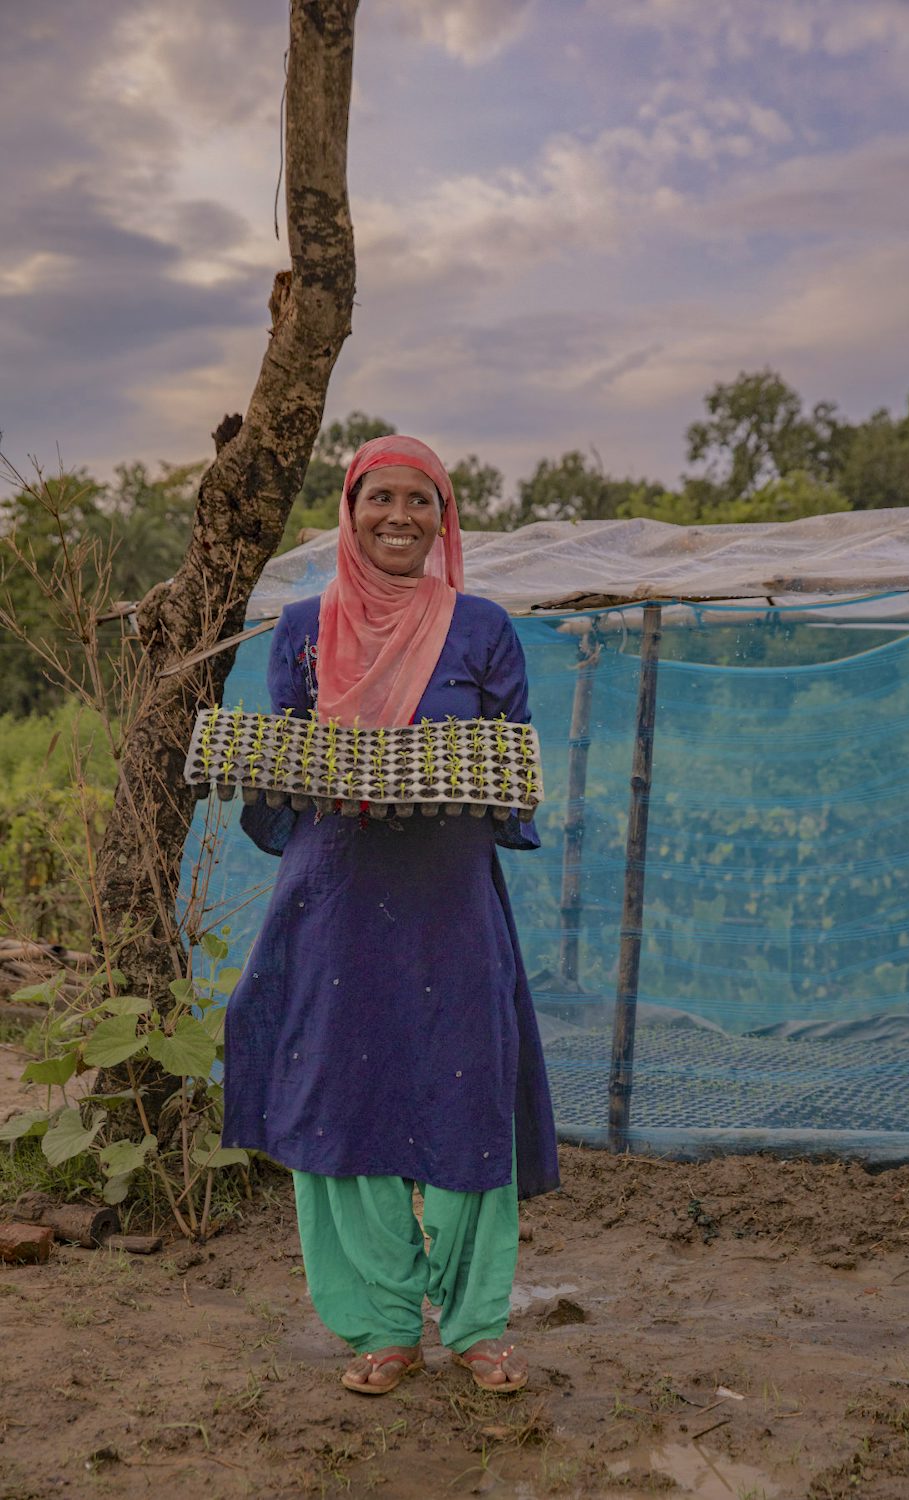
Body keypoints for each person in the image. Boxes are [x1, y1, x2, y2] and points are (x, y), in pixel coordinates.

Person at [222, 435, 560, 1396]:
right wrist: (317, 773)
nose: (400, 518)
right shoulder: (301, 625)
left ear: (445, 518)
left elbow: (512, 767)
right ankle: (381, 1328)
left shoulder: (483, 628)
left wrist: (452, 783)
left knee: (467, 1092)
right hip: (334, 898)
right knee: (344, 1102)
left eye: (422, 501)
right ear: (351, 509)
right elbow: (281, 763)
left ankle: (479, 1324)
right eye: (381, 500)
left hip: (448, 899)